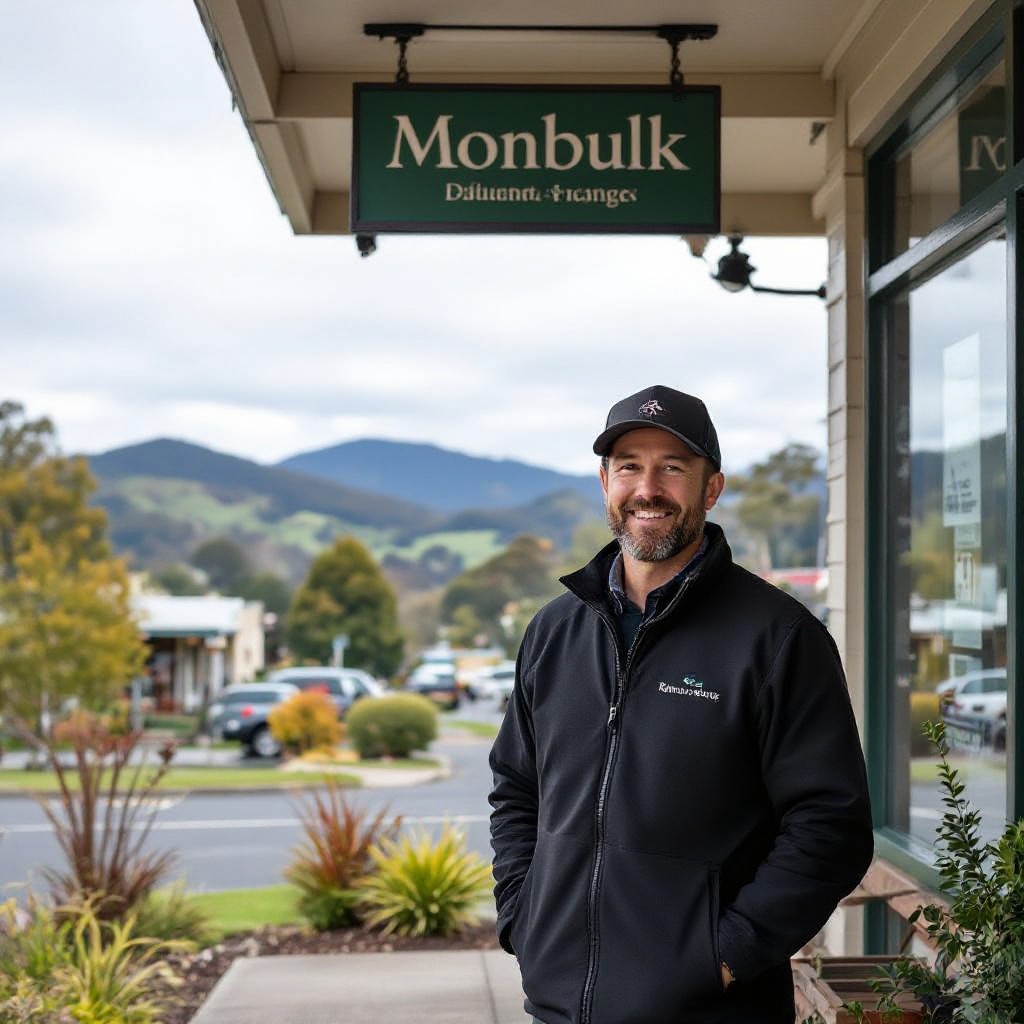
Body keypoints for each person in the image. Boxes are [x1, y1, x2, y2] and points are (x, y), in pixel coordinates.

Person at [488, 385, 873, 1024]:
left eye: (673, 467)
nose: (648, 488)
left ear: (711, 487)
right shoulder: (554, 631)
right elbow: (516, 788)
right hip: (557, 1005)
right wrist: (522, 920)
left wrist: (722, 957)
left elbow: (830, 825)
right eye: (630, 466)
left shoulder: (778, 638)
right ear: (605, 481)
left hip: (710, 1009)